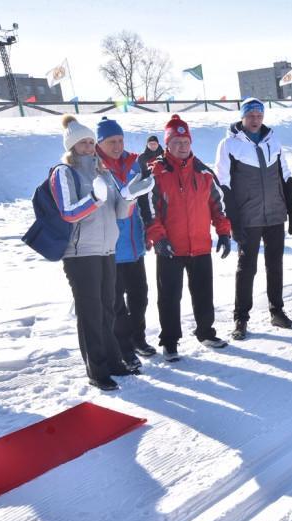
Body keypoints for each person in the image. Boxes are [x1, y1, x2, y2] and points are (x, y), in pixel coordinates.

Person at [52, 115, 147, 391]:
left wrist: (131, 195)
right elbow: (68, 213)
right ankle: (97, 369)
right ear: (72, 146)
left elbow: (119, 211)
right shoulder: (64, 172)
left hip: (107, 250)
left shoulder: (102, 171)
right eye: (83, 142)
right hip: (81, 253)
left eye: (91, 142)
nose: (89, 146)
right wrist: (93, 199)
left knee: (108, 310)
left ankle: (114, 361)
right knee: (91, 312)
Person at [145, 114, 233, 361]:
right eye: (176, 143)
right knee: (170, 297)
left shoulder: (203, 172)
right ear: (167, 144)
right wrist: (158, 238)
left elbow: (218, 205)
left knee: (204, 292)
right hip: (170, 248)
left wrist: (224, 232)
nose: (182, 147)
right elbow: (150, 210)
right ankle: (170, 341)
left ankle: (206, 332)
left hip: (200, 246)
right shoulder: (157, 173)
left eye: (186, 142)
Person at [215, 98, 292, 340]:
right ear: (242, 117)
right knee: (246, 268)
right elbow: (223, 184)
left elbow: (286, 176)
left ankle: (277, 311)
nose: (255, 119)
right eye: (250, 115)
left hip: (275, 214)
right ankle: (241, 318)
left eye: (258, 115)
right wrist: (233, 220)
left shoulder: (273, 140)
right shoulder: (229, 145)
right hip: (248, 217)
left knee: (275, 265)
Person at [95, 117, 157, 372]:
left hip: (134, 244)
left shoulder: (134, 163)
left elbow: (144, 201)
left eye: (120, 140)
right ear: (100, 143)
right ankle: (124, 348)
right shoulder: (95, 168)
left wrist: (149, 229)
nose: (118, 145)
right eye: (112, 142)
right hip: (110, 247)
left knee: (140, 297)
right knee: (117, 304)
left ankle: (138, 337)